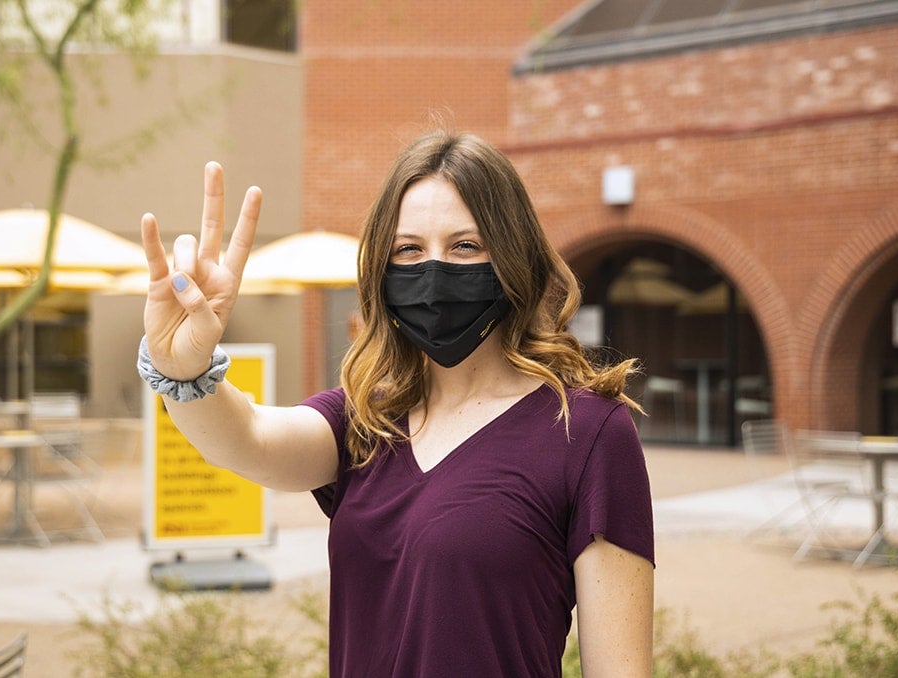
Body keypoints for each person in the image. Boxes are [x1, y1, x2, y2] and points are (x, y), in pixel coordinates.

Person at [137, 129, 655, 677]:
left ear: (514, 259)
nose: (433, 274)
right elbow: (244, 439)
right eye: (408, 250)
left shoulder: (587, 433)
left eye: (465, 246)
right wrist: (182, 366)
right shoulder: (363, 423)